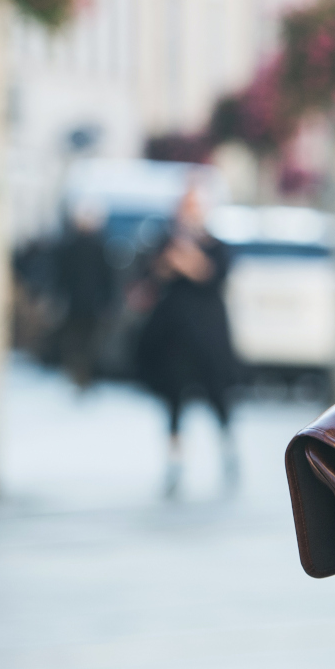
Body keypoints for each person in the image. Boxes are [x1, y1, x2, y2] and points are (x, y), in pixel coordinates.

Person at [132, 184, 239, 495]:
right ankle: (174, 462)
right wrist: (169, 262)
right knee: (173, 399)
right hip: (174, 335)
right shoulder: (164, 242)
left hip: (208, 333)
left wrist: (189, 261)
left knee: (217, 396)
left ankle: (228, 452)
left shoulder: (215, 245)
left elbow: (214, 274)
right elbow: (150, 276)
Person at [52, 203, 116, 392]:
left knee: (87, 343)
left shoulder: (98, 247)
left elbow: (107, 278)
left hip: (89, 304)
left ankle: (83, 376)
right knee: (76, 341)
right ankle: (77, 375)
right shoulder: (72, 247)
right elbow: (61, 276)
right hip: (76, 303)